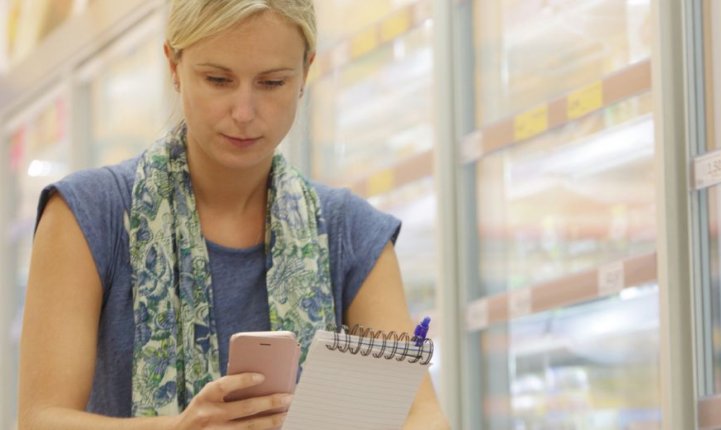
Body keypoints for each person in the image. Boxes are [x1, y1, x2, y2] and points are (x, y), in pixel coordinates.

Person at [17, 1, 450, 429]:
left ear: (306, 71)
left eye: (272, 82)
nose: (244, 113)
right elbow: (40, 421)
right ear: (173, 65)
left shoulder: (350, 232)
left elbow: (420, 414)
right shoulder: (88, 214)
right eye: (218, 79)